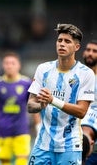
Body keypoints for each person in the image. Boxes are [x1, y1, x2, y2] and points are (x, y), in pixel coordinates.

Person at [27, 23, 95, 165]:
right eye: (59, 40)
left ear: (76, 47)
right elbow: (30, 105)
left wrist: (52, 100)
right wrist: (41, 104)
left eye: (67, 41)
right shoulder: (43, 69)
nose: (62, 44)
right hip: (42, 145)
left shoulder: (86, 74)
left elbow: (82, 111)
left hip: (70, 146)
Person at [0, 51, 32, 165]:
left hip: (21, 129)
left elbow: (33, 105)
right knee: (4, 160)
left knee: (22, 159)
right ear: (3, 65)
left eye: (12, 63)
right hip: (2, 129)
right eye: (7, 63)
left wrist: (38, 125)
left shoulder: (26, 83)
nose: (9, 66)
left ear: (19, 65)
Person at [81, 40, 97, 164]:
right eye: (88, 50)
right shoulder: (76, 77)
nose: (90, 53)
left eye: (95, 51)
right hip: (80, 139)